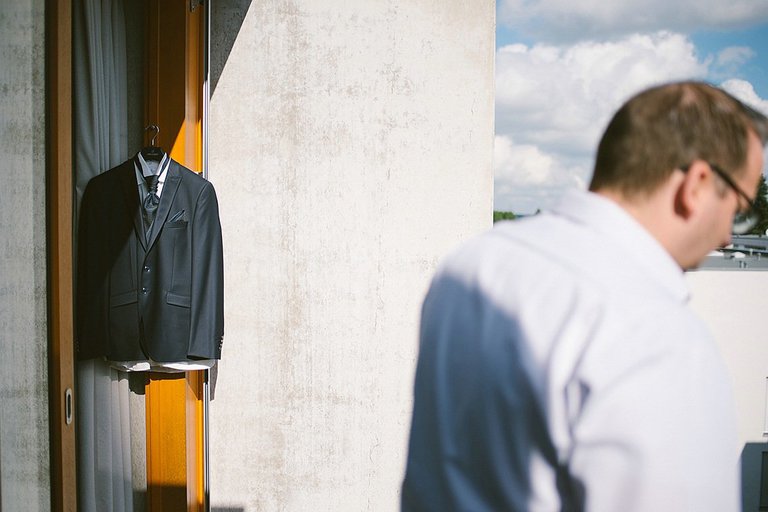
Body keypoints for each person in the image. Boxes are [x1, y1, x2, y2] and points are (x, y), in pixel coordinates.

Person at [401, 81, 768, 511]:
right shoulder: (655, 333)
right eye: (742, 211)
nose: (728, 238)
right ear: (698, 185)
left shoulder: (471, 263)